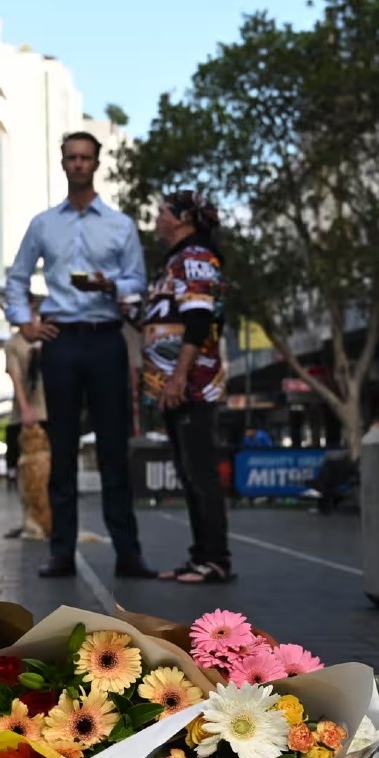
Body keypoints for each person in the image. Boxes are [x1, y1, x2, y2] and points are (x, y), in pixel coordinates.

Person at [4, 132, 155, 580]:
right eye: (71, 157)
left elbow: (137, 284)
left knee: (113, 448)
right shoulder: (43, 224)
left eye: (85, 157)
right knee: (63, 449)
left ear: (97, 163)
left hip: (108, 339)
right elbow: (16, 279)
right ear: (63, 163)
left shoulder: (120, 225)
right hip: (61, 340)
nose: (78, 164)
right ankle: (61, 552)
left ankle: (128, 553)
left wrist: (114, 287)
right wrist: (25, 323)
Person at [143, 191, 233, 584]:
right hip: (174, 388)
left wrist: (179, 376)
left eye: (162, 211)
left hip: (193, 386)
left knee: (201, 473)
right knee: (189, 473)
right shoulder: (174, 263)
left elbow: (198, 323)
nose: (157, 217)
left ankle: (215, 560)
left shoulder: (195, 258)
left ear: (181, 219)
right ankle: (200, 556)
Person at [3, 296, 53, 541]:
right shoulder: (13, 344)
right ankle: (28, 521)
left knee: (50, 472)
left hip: (49, 412)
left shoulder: (49, 339)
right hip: (23, 416)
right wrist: (24, 409)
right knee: (23, 473)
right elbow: (15, 377)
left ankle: (52, 519)